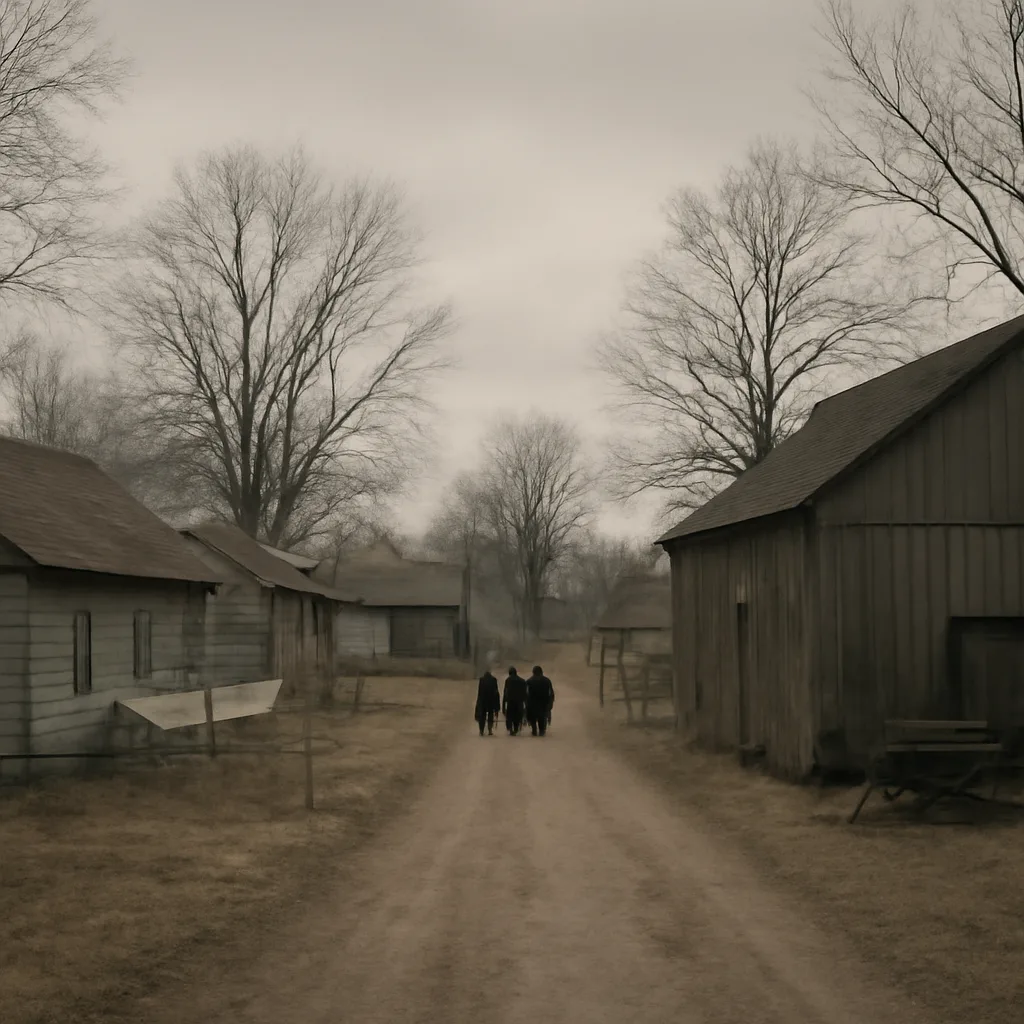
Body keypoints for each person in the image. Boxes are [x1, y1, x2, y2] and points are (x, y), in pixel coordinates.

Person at [526, 665, 554, 737]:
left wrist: (526, 704)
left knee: (533, 719)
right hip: (543, 704)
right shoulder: (547, 681)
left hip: (532, 704)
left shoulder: (529, 681)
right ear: (541, 672)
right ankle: (541, 731)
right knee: (542, 719)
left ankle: (534, 730)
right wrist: (550, 704)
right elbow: (551, 693)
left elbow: (525, 693)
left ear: (533, 672)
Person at [502, 666, 527, 736]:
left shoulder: (508, 680)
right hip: (519, 702)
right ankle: (516, 729)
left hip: (510, 701)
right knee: (518, 716)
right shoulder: (522, 681)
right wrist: (526, 704)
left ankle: (510, 729)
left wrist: (503, 706)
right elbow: (525, 693)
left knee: (510, 716)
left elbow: (505, 693)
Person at [475, 669, 500, 736]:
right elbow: (496, 692)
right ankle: (489, 729)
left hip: (483, 701)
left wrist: (478, 703)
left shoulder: (481, 680)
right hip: (491, 701)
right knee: (490, 715)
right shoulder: (494, 680)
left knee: (482, 716)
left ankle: (481, 730)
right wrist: (497, 705)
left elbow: (479, 692)